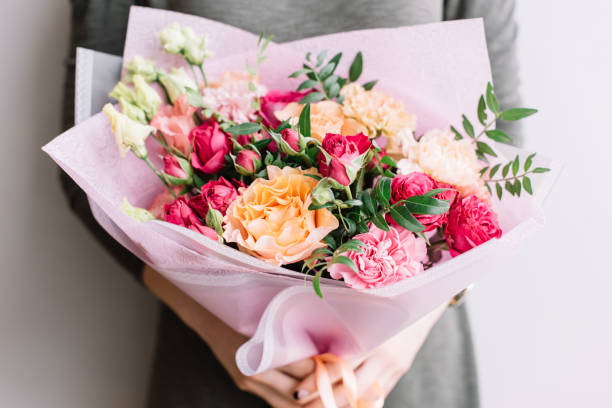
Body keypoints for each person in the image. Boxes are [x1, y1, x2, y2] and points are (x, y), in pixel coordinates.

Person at [60, 1, 521, 406]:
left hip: (407, 366)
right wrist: (221, 333)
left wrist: (413, 326)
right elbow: (88, 163)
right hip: (217, 365)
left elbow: (499, 167)